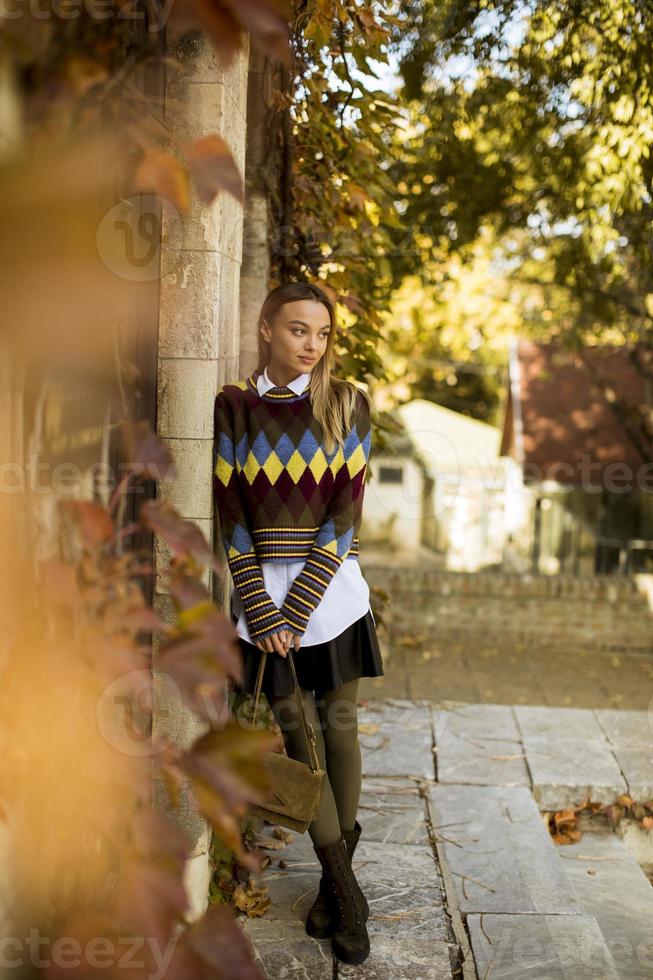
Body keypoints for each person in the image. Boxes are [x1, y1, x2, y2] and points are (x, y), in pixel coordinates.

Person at [212, 281, 384, 965]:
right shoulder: (235, 407)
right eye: (296, 331)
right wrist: (261, 610)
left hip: (332, 598)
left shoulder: (347, 404)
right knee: (301, 745)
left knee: (339, 738)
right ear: (264, 329)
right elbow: (231, 514)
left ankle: (334, 892)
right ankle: (346, 890)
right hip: (262, 608)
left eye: (321, 334)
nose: (311, 345)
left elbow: (345, 518)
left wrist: (298, 608)